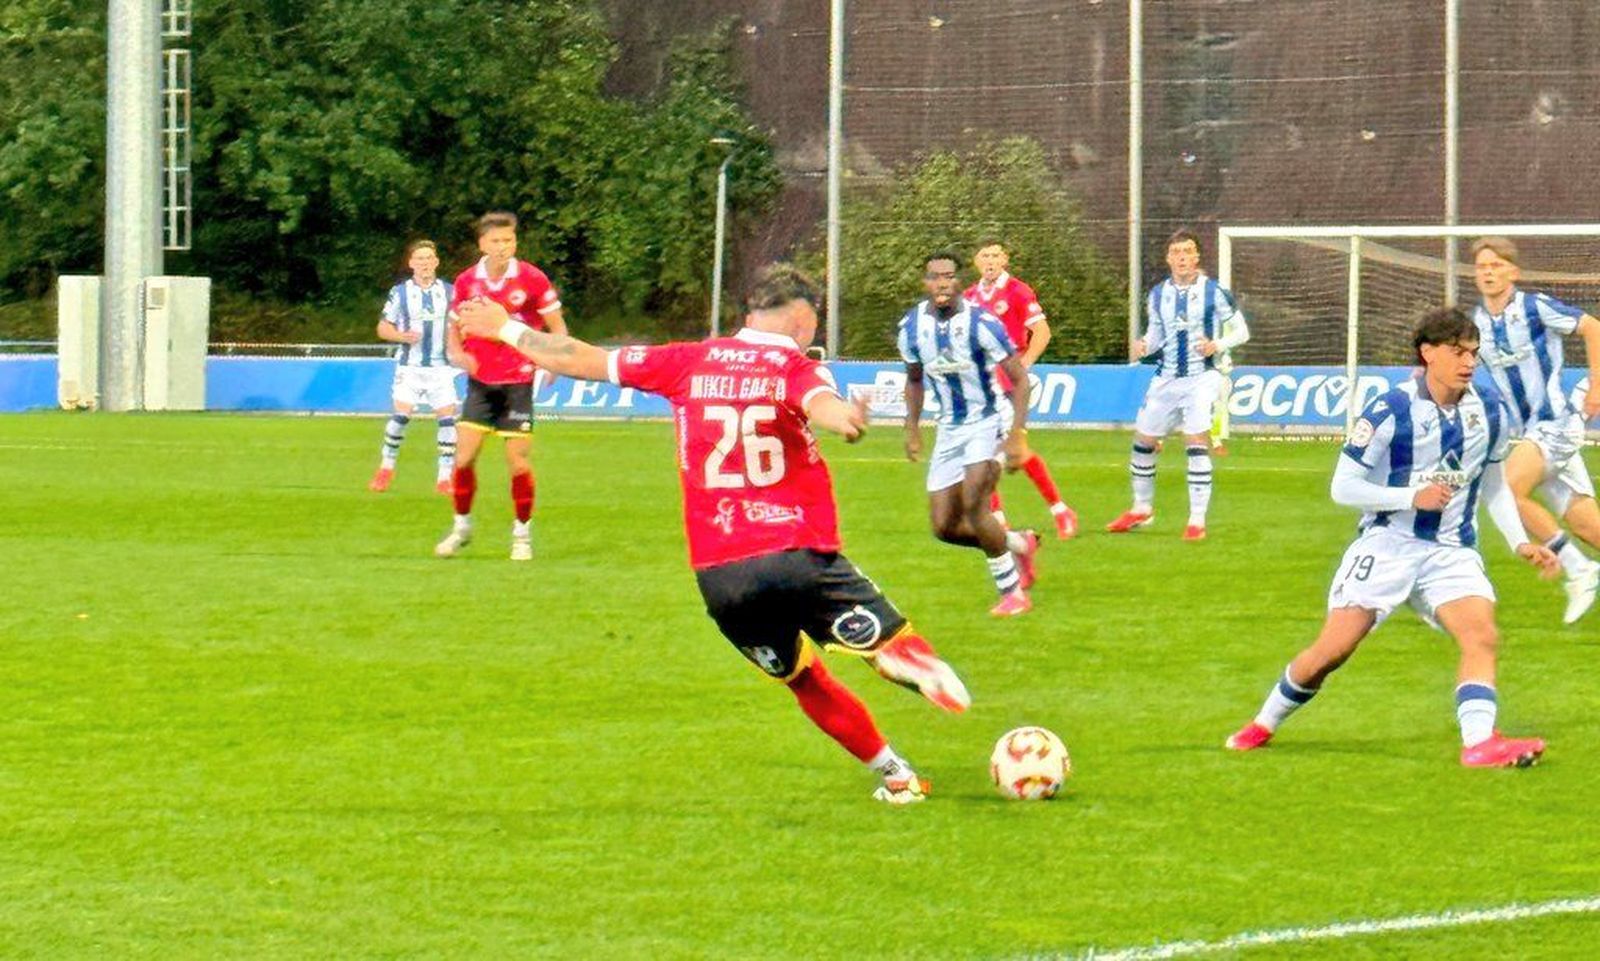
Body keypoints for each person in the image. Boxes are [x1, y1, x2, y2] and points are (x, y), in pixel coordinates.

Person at [456, 265, 971, 804]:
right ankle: (894, 653)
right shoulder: (792, 365)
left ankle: (896, 776)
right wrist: (846, 419)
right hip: (797, 553)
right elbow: (822, 405)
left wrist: (506, 328)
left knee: (801, 678)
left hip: (721, 574)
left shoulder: (688, 360)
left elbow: (577, 357)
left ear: (749, 316)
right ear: (801, 319)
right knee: (882, 640)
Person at [1225, 308, 1558, 768]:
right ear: (1428, 353)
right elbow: (1342, 487)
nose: (1468, 363)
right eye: (1457, 352)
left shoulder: (1491, 410)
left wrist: (1519, 541)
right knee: (1332, 650)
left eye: (1474, 354)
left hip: (1451, 549)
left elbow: (1495, 481)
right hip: (1387, 546)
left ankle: (1478, 744)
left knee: (1481, 634)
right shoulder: (1390, 409)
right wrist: (1409, 496)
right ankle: (1264, 722)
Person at [1469, 236, 1600, 624]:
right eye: (1482, 267)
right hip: (1529, 432)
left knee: (1507, 490)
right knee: (1588, 526)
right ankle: (1584, 564)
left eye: (1496, 266)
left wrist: (1597, 385)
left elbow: (1593, 327)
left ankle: (1579, 570)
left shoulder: (1534, 306)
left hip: (1555, 422)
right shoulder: (1477, 323)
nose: (1489, 272)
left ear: (1513, 272)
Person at [901, 252, 1039, 617]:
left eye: (948, 276)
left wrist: (1016, 433)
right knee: (944, 526)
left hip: (988, 420)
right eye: (935, 277)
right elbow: (914, 380)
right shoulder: (912, 327)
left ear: (959, 281)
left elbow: (1020, 378)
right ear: (925, 282)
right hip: (949, 428)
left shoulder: (981, 323)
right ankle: (1018, 543)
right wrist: (912, 428)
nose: (942, 283)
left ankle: (1013, 594)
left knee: (976, 503)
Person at [436, 211, 567, 562]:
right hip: (481, 382)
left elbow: (558, 327)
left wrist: (553, 358)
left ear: (515, 243)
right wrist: (457, 352)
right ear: (482, 244)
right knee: (462, 460)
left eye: (508, 240)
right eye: (495, 241)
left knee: (518, 463)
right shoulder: (466, 281)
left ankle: (521, 535)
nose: (502, 247)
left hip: (519, 380)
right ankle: (461, 527)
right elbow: (454, 325)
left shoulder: (532, 279)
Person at [1107, 229, 1250, 541]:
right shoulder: (1158, 295)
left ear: (1197, 256)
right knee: (1143, 441)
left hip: (1202, 377)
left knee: (1195, 439)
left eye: (1188, 251)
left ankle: (1196, 520)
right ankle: (1141, 508)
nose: (1183, 257)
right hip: (1166, 377)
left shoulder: (1215, 292)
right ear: (1168, 258)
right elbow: (1157, 335)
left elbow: (1242, 332)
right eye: (1177, 252)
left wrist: (1218, 344)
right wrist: (1145, 344)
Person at [965, 241, 1078, 538]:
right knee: (981, 452)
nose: (990, 261)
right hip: (982, 385)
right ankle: (999, 519)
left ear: (1005, 259)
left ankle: (1061, 510)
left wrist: (1024, 365)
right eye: (984, 256)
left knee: (1017, 450)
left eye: (995, 255)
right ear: (976, 261)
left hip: (1010, 384)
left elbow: (1042, 331)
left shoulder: (1017, 291)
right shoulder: (970, 297)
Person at [369, 240, 458, 495]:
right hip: (410, 367)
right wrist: (401, 336)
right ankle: (386, 467)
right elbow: (383, 327)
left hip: (441, 368)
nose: (425, 263)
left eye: (429, 258)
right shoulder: (401, 293)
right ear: (411, 264)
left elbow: (463, 323)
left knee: (447, 420)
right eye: (419, 259)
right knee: (401, 416)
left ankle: (444, 477)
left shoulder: (450, 292)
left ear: (437, 262)